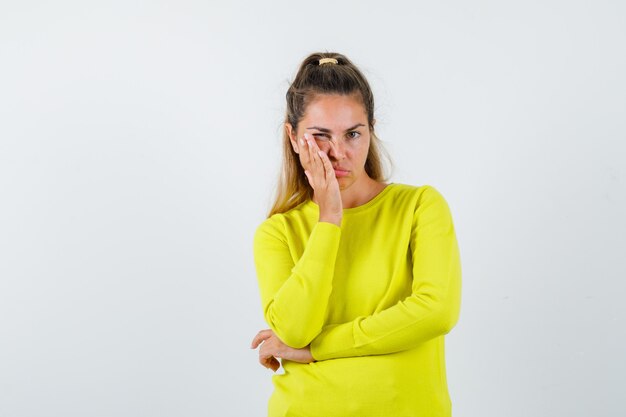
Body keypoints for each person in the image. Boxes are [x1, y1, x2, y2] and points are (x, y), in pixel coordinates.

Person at [250, 52, 462, 417]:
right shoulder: (278, 232)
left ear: (371, 129)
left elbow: (435, 312)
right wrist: (328, 218)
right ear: (294, 136)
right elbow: (296, 330)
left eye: (353, 134)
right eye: (320, 136)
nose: (339, 153)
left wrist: (319, 349)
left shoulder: (420, 207)